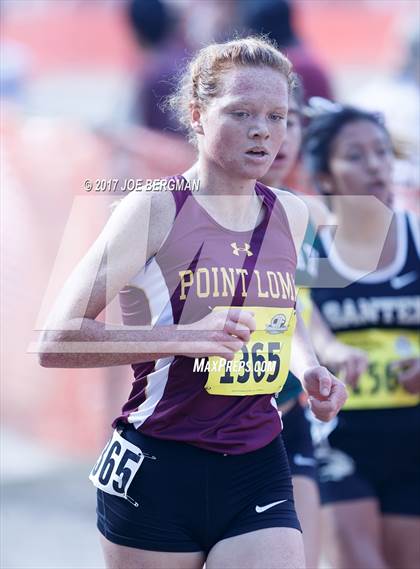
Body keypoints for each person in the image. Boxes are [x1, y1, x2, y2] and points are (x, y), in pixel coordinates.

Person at [39, 37, 347, 569]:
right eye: (242, 112)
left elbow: (279, 316)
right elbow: (55, 340)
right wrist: (185, 337)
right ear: (198, 115)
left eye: (277, 116)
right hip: (160, 462)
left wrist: (312, 366)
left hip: (256, 459)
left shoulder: (291, 215)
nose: (263, 130)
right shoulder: (155, 208)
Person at [302, 105, 420, 569]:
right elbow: (296, 318)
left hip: (412, 437)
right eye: (355, 155)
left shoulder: (416, 235)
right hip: (339, 436)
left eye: (381, 152)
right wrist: (332, 350)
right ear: (326, 179)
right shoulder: (313, 246)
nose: (375, 164)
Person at [259, 83, 364, 569]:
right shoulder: (185, 205)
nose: (275, 135)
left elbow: (303, 305)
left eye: (288, 120)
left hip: (289, 409)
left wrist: (325, 355)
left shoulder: (304, 215)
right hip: (202, 417)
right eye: (252, 116)